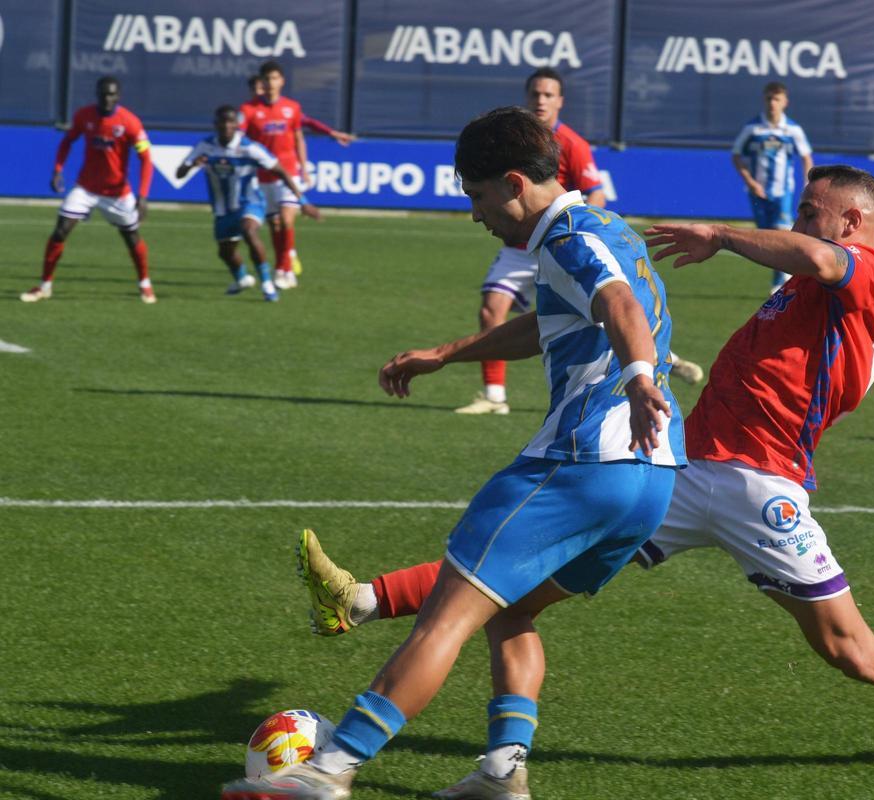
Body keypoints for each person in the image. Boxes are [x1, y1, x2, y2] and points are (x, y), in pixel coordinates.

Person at [299, 166, 874, 797]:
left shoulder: (852, 271)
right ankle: (381, 621)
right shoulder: (838, 278)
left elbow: (831, 263)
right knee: (515, 591)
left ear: (851, 222)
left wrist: (720, 237)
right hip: (683, 471)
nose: (798, 223)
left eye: (812, 214)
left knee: (854, 653)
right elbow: (826, 266)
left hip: (763, 490)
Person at [219, 106, 687, 800]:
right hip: (651, 483)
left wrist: (641, 378)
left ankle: (332, 768)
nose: (474, 214)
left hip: (583, 462)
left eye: (474, 195)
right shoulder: (603, 226)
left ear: (512, 181)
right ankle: (502, 773)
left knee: (447, 616)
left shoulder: (567, 236)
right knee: (512, 612)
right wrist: (448, 353)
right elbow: (558, 321)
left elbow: (618, 303)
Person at [457, 67, 705, 416]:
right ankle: (495, 395)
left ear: (560, 101)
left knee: (601, 308)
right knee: (492, 309)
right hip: (521, 245)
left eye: (548, 95)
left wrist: (577, 232)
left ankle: (654, 361)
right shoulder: (508, 144)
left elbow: (595, 194)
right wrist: (442, 355)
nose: (540, 100)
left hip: (562, 239)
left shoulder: (570, 145)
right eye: (535, 94)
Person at [21, 76, 156, 304]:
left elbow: (146, 159)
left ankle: (145, 284)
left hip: (117, 193)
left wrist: (143, 196)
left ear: (118, 96)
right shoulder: (84, 116)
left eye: (112, 94)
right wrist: (57, 169)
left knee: (131, 237)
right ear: (97, 94)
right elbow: (67, 141)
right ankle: (44, 286)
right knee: (61, 229)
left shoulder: (130, 122)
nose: (107, 98)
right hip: (86, 189)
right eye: (103, 94)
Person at [174, 106, 319, 302]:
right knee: (225, 252)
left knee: (249, 231)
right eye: (222, 122)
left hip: (250, 202)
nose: (226, 125)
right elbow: (179, 174)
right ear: (215, 124)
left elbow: (281, 171)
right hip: (223, 209)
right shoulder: (205, 146)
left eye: (230, 122)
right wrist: (192, 164)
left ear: (236, 124)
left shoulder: (249, 147)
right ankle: (242, 278)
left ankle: (267, 284)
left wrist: (303, 201)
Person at [239, 61, 318, 291]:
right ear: (261, 82)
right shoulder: (249, 110)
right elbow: (239, 141)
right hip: (263, 177)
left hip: (289, 173)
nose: (271, 83)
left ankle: (285, 269)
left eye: (275, 78)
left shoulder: (292, 108)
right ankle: (281, 266)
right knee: (274, 225)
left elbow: (298, 138)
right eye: (267, 79)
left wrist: (303, 167)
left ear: (281, 81)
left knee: (286, 219)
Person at [731, 81, 814, 293]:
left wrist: (807, 183)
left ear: (785, 102)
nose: (772, 103)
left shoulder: (793, 129)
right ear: (764, 100)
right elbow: (736, 155)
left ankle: (781, 282)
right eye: (769, 98)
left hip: (782, 192)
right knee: (766, 236)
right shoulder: (752, 128)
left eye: (776, 99)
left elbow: (806, 157)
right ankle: (782, 278)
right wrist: (750, 182)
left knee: (781, 233)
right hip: (757, 192)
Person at [247, 74, 357, 148]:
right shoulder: (247, 111)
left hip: (277, 164)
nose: (258, 92)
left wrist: (333, 133)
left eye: (261, 89)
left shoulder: (284, 110)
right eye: (254, 89)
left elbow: (309, 122)